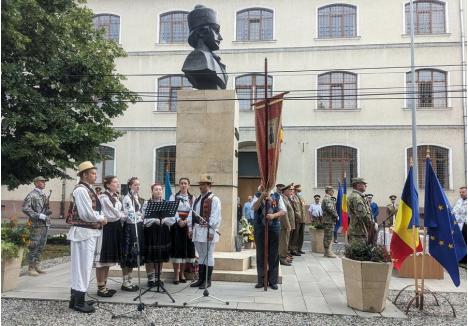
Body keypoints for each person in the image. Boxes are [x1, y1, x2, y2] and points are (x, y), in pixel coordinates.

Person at [66, 161, 106, 313]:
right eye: (93, 173)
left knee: (82, 267)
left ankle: (76, 299)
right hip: (83, 233)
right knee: (82, 267)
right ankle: (78, 302)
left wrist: (99, 216)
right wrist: (101, 218)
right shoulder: (81, 190)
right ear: (84, 174)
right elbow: (86, 214)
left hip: (86, 233)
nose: (95, 176)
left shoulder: (87, 189)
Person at [182, 5, 228, 90]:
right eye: (216, 31)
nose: (220, 37)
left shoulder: (214, 59)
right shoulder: (197, 57)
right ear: (201, 32)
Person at [189, 174, 221, 289]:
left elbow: (215, 217)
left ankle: (207, 280)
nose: (200, 187)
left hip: (208, 230)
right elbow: (191, 214)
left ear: (209, 185)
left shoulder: (214, 199)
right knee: (201, 255)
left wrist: (210, 229)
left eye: (202, 185)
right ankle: (201, 279)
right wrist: (190, 228)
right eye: (200, 184)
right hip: (198, 230)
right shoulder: (197, 199)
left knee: (209, 255)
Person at [94, 176, 125, 297]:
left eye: (117, 182)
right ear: (108, 185)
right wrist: (124, 215)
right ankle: (100, 287)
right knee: (102, 260)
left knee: (108, 260)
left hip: (114, 228)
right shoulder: (104, 197)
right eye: (115, 182)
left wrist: (122, 215)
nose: (117, 184)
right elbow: (114, 214)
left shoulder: (115, 197)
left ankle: (104, 286)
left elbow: (118, 213)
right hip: (107, 229)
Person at [252, 185, 287, 290]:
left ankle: (272, 281)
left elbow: (283, 211)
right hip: (260, 228)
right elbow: (254, 207)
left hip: (274, 227)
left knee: (273, 254)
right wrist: (262, 197)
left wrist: (273, 216)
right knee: (261, 254)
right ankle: (261, 280)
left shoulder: (277, 196)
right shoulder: (257, 195)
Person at [142, 183, 173, 287]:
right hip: (151, 231)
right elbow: (144, 217)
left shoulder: (166, 203)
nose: (158, 191)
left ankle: (158, 277)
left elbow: (172, 218)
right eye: (156, 189)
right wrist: (155, 220)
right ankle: (150, 279)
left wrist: (165, 219)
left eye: (160, 189)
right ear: (152, 191)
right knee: (150, 256)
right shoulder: (147, 203)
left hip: (163, 231)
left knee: (160, 255)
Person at [22, 176, 52, 276]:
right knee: (34, 246)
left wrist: (47, 212)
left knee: (41, 246)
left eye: (44, 181)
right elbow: (25, 208)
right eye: (42, 181)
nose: (44, 183)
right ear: (36, 183)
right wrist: (38, 215)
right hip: (36, 225)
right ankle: (30, 268)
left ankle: (37, 265)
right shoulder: (32, 195)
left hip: (45, 224)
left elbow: (46, 208)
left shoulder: (44, 195)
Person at [170, 177, 196, 284]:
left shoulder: (192, 198)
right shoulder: (173, 197)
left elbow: (193, 211)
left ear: (188, 185)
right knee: (177, 249)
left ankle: (182, 274)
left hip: (187, 225)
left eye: (185, 183)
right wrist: (179, 220)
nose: (183, 185)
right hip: (176, 226)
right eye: (181, 183)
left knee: (185, 249)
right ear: (179, 185)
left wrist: (186, 222)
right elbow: (172, 210)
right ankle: (176, 275)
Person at [121, 177, 144, 291]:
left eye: (139, 185)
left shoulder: (136, 197)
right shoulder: (127, 198)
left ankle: (130, 279)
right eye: (135, 185)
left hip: (137, 226)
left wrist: (139, 215)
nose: (138, 187)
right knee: (128, 252)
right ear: (130, 186)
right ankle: (125, 281)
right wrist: (139, 216)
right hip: (130, 227)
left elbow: (139, 213)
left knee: (133, 254)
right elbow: (130, 215)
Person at [347, 178, 377, 244]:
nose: (366, 186)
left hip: (358, 230)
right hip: (359, 231)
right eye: (364, 184)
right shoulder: (357, 198)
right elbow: (362, 215)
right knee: (359, 252)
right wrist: (372, 225)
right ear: (358, 185)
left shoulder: (356, 196)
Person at [322, 187, 339, 258]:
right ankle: (327, 252)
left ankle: (328, 251)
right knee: (328, 236)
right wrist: (336, 215)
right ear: (328, 191)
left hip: (329, 220)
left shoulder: (328, 198)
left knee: (328, 235)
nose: (333, 192)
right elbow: (330, 209)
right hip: (328, 220)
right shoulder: (327, 199)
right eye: (332, 191)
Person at [279, 184, 293, 266]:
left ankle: (284, 256)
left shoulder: (286, 199)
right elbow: (284, 213)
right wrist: (288, 225)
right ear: (284, 191)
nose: (291, 191)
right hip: (284, 225)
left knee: (286, 241)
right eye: (289, 190)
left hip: (287, 224)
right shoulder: (283, 199)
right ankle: (282, 258)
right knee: (283, 242)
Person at [452, 186, 467, 264]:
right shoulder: (459, 201)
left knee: (465, 243)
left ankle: (465, 260)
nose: (461, 194)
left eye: (463, 192)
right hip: (457, 226)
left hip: (465, 225)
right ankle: (460, 259)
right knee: (459, 242)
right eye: (460, 192)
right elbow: (454, 211)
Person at [293, 184, 307, 254]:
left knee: (301, 235)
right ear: (295, 190)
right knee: (296, 235)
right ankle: (294, 249)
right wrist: (298, 217)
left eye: (300, 191)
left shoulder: (301, 198)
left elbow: (303, 209)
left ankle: (299, 248)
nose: (299, 192)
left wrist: (304, 218)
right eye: (298, 191)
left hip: (303, 219)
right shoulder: (293, 198)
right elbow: (295, 209)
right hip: (297, 219)